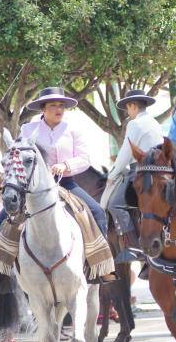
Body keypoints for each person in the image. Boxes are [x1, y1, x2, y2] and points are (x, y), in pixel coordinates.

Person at [20, 87, 109, 237]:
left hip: (66, 183)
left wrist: (65, 165)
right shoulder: (27, 130)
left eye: (61, 105)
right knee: (5, 216)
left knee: (98, 212)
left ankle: (102, 252)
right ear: (43, 109)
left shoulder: (74, 130)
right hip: (34, 186)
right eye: (53, 105)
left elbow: (84, 159)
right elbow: (20, 156)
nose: (59, 109)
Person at [101, 89, 164, 208]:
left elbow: (126, 153)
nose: (128, 112)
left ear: (133, 106)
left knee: (113, 205)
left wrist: (112, 175)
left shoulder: (135, 123)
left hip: (141, 171)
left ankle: (128, 223)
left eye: (128, 108)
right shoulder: (155, 122)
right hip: (160, 170)